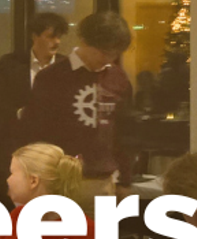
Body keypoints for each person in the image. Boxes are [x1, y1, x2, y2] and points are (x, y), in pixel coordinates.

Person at [14, 10, 135, 198]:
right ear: (85, 41)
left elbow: (125, 133)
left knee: (102, 229)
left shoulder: (118, 78)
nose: (108, 59)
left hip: (104, 181)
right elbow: (35, 133)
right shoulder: (51, 78)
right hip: (59, 181)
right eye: (103, 52)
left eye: (114, 54)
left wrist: (125, 180)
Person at [0, 13, 71, 206]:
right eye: (51, 36)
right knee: (9, 207)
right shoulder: (10, 63)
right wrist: (23, 113)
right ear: (34, 36)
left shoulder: (65, 67)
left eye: (59, 37)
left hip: (51, 151)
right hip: (13, 146)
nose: (56, 42)